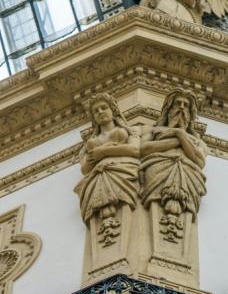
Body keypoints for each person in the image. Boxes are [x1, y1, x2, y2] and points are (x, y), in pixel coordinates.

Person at [140, 89, 207, 233]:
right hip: (158, 172)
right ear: (169, 109)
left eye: (186, 105)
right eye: (178, 103)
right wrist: (180, 140)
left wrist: (179, 134)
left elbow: (200, 161)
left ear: (190, 114)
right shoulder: (152, 130)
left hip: (187, 175)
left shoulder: (199, 141)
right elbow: (144, 149)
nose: (181, 107)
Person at [73, 93, 140, 230]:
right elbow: (85, 169)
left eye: (104, 108)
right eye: (96, 111)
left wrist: (104, 151)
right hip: (99, 175)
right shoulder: (90, 142)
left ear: (113, 110)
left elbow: (135, 150)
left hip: (124, 171)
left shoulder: (129, 131)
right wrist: (94, 158)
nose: (100, 112)